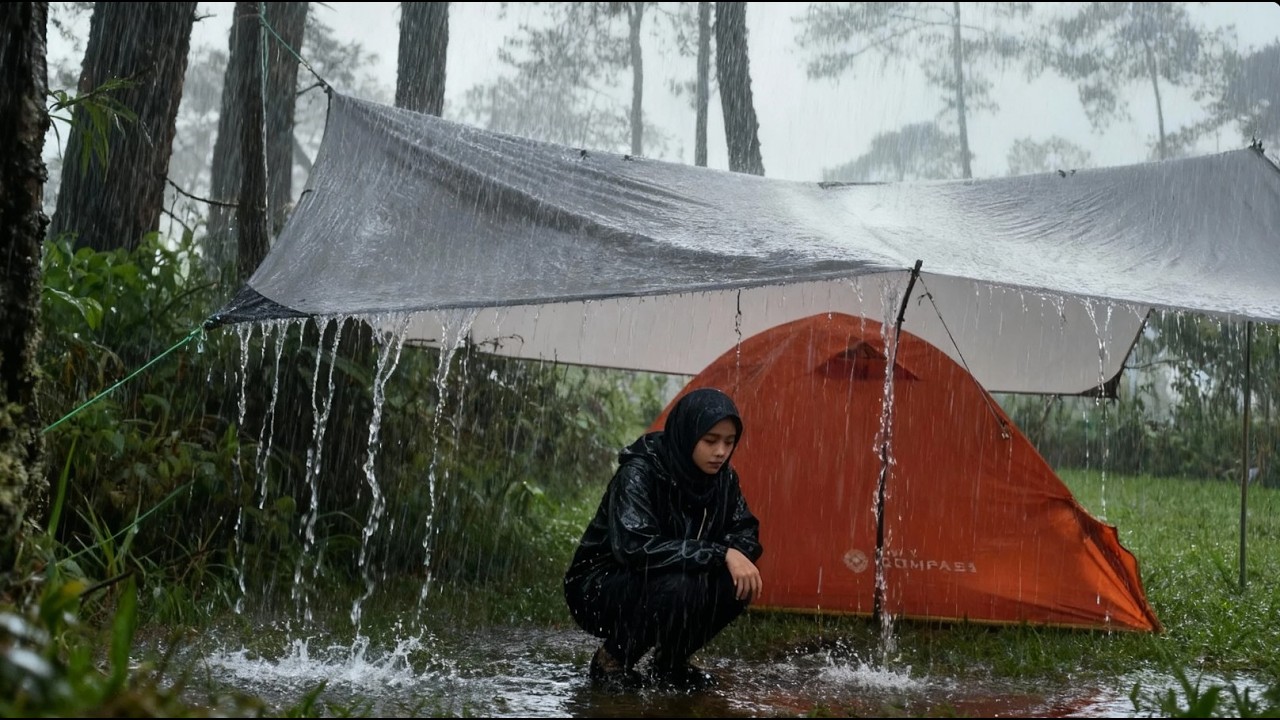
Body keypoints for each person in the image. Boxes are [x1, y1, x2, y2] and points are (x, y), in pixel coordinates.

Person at [562, 387, 764, 691]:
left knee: (737, 581)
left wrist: (732, 556)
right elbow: (635, 546)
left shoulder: (723, 480)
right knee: (680, 582)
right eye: (710, 441)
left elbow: (745, 530)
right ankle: (613, 659)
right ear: (686, 434)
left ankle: (669, 664)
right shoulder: (639, 473)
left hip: (667, 579)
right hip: (600, 587)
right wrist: (720, 552)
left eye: (729, 442)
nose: (721, 451)